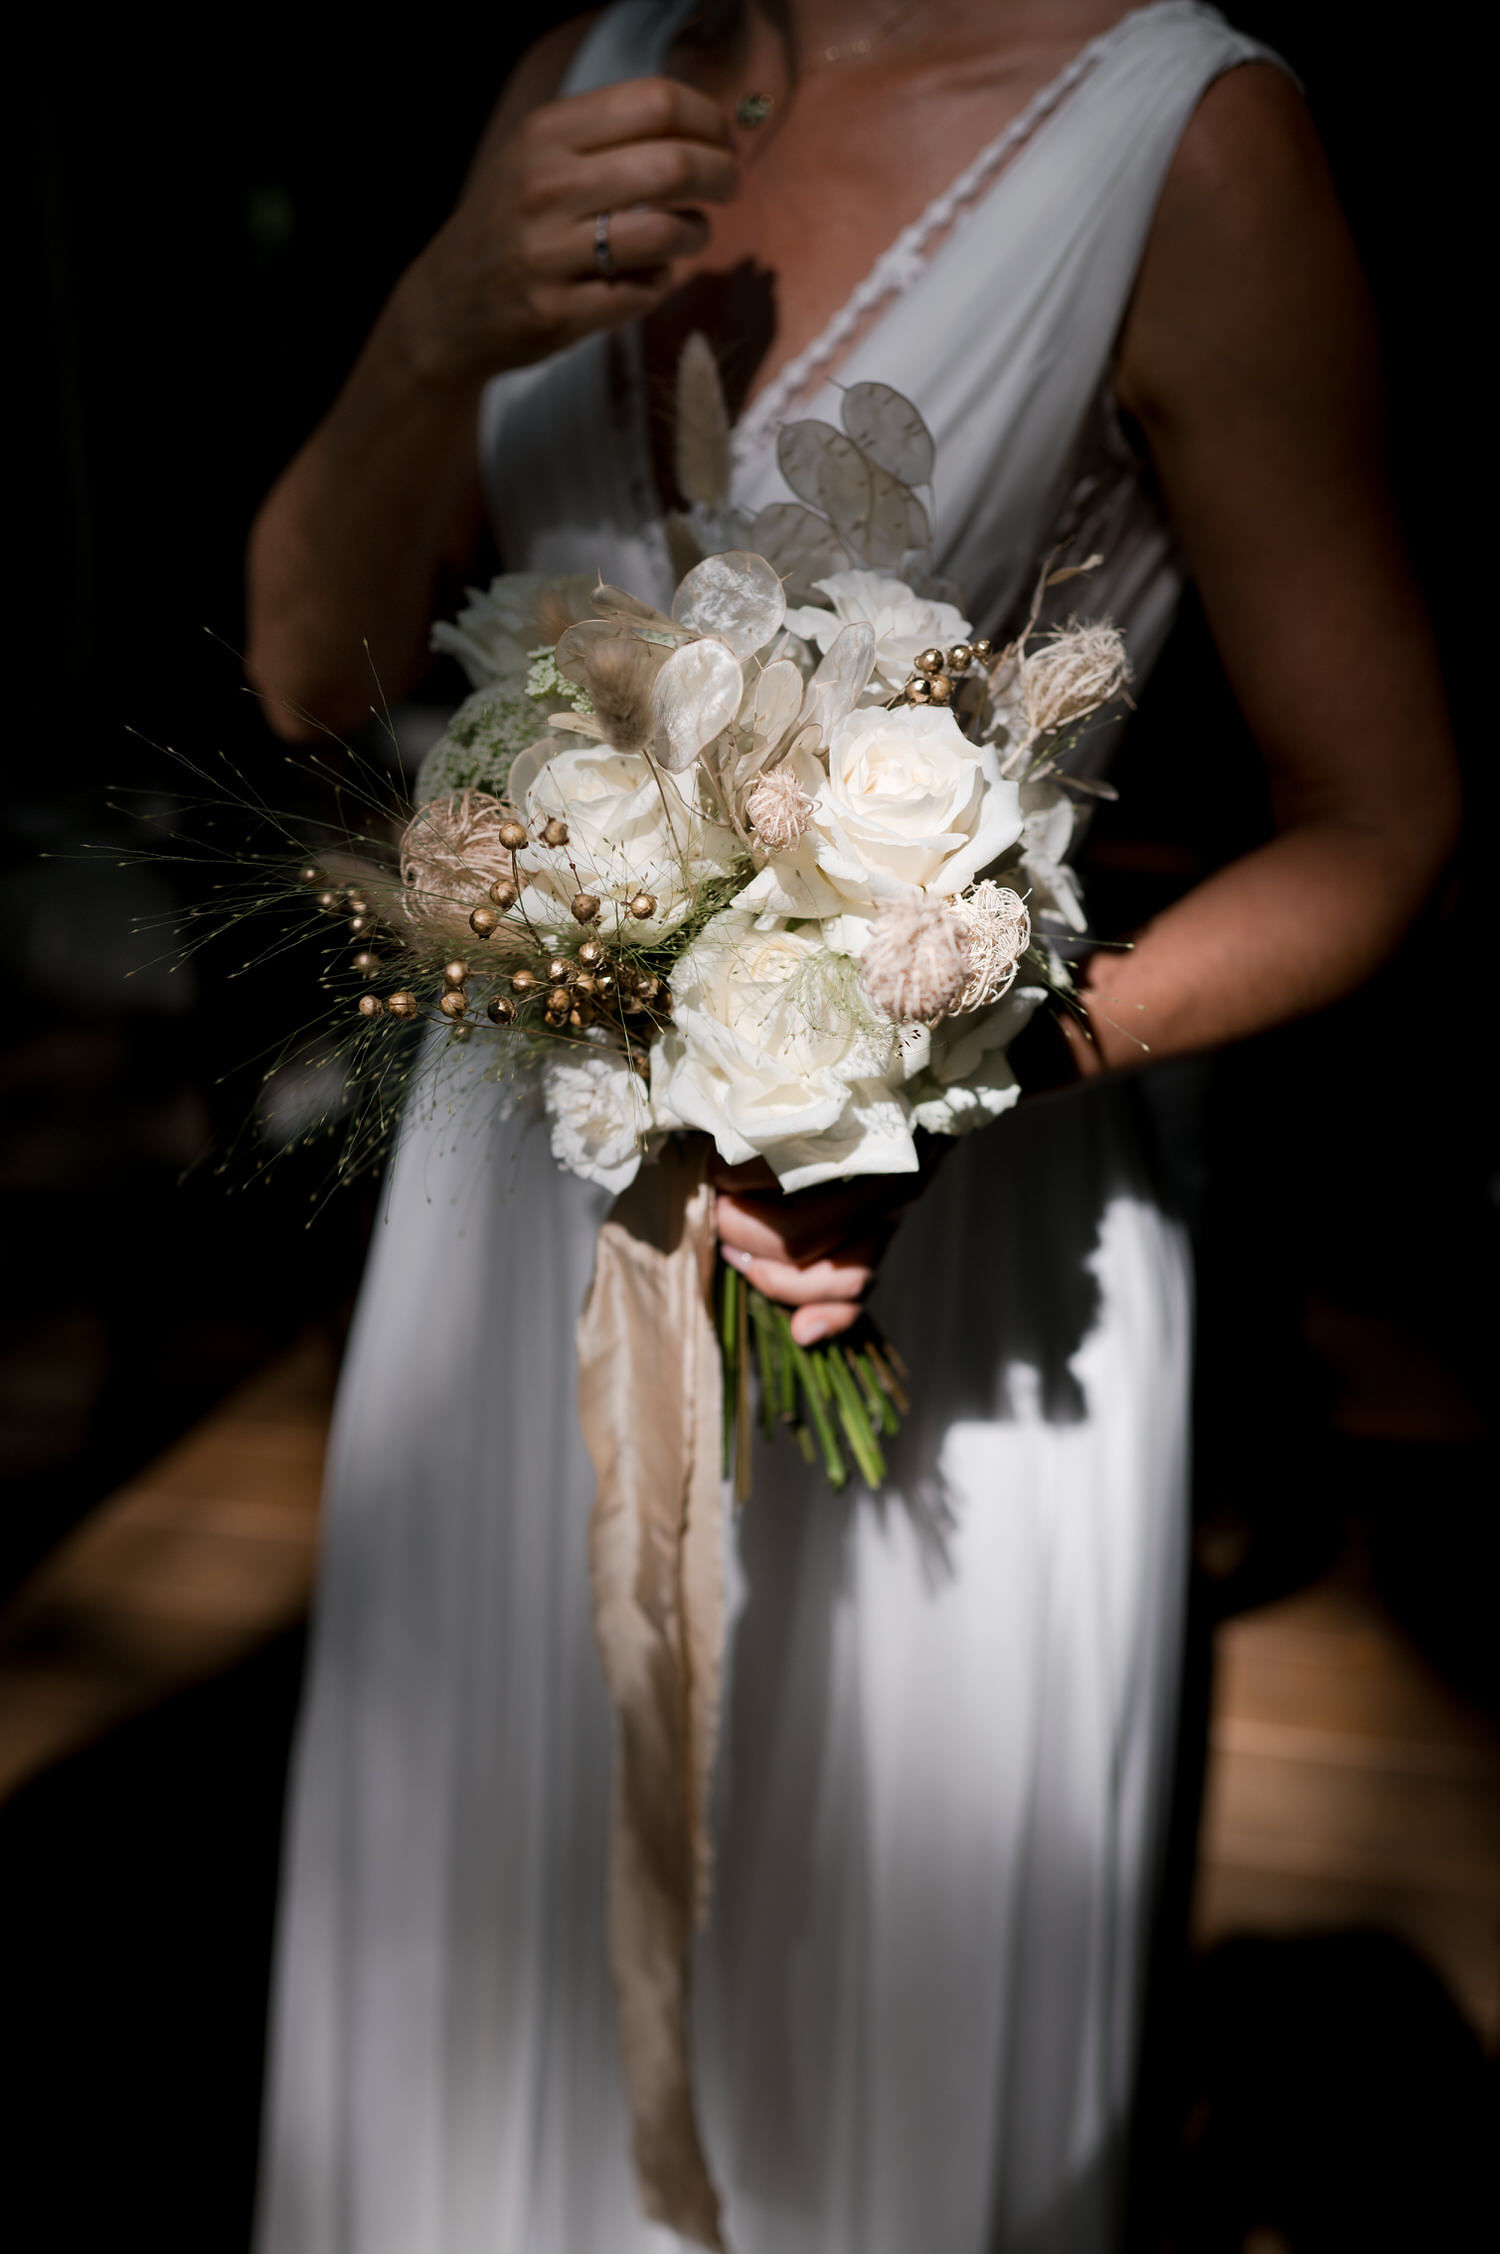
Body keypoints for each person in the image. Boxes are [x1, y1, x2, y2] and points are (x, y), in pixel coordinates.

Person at [246, 6, 1459, 2250]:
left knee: (861, 2052)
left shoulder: (1182, 145)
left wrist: (945, 1066)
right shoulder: (579, 70)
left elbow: (1383, 821)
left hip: (937, 1251)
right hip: (520, 1218)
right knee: (480, 1969)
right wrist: (431, 331)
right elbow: (313, 674)